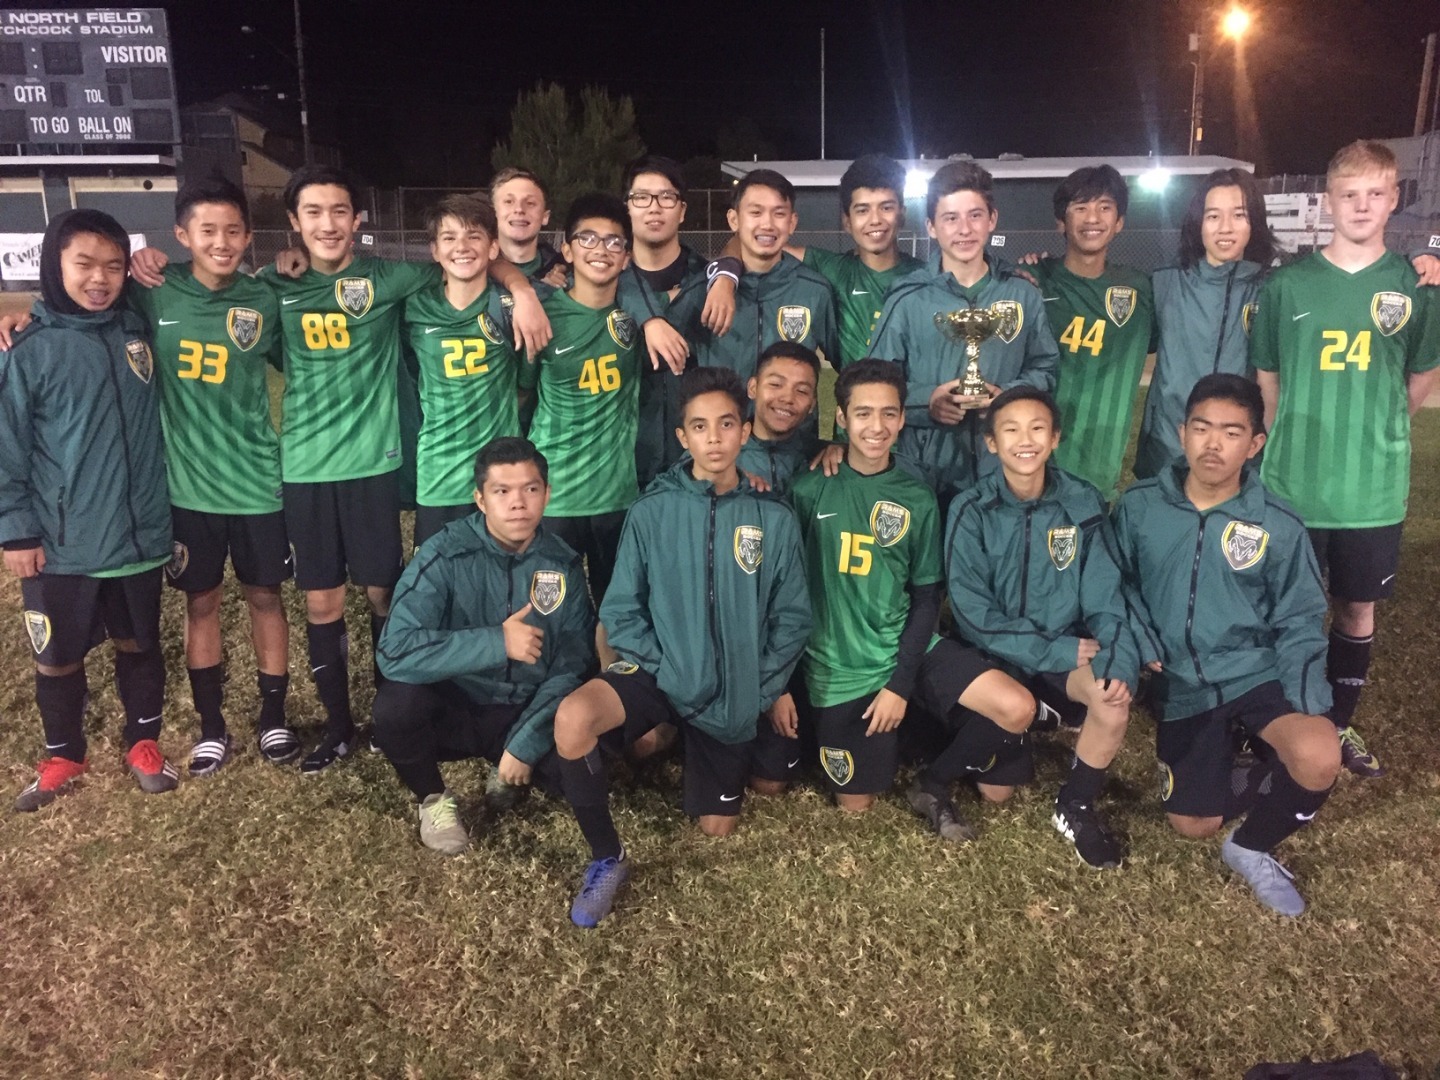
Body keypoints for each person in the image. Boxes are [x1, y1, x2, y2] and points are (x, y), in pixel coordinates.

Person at [552, 367, 811, 927]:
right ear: (682, 438)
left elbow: (792, 619)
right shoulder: (652, 511)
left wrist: (759, 686)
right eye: (699, 426)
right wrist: (667, 670)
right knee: (573, 720)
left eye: (725, 425)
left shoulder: (773, 518)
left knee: (718, 829)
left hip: (735, 686)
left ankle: (689, 738)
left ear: (745, 432)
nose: (714, 438)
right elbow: (621, 607)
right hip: (661, 670)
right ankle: (607, 857)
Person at [1114, 374, 1340, 916]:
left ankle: (1250, 846)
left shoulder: (1277, 524)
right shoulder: (1140, 505)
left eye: (1232, 432)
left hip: (1251, 670)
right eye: (1202, 428)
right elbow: (1113, 586)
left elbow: (1303, 615)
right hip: (1182, 681)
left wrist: (1309, 702)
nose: (1213, 445)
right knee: (1191, 825)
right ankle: (1247, 758)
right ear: (1181, 432)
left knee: (1317, 756)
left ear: (1255, 444)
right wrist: (1140, 641)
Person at [1251, 140, 1440, 778]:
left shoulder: (1416, 287)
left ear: (1393, 199)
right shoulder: (1288, 285)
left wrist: (1377, 429)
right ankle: (1276, 723)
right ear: (1327, 202)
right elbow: (1268, 377)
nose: (1361, 206)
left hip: (1371, 490)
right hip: (1293, 485)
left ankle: (1337, 724)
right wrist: (1288, 440)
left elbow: (1417, 381)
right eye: (1348, 194)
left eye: (1375, 194)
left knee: (1357, 609)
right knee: (1283, 609)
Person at [0, 210, 177, 808]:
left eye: (111, 266)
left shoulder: (136, 329)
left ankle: (143, 742)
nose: (99, 279)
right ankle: (63, 755)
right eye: (84, 265)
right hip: (63, 543)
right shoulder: (27, 348)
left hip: (136, 537)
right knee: (57, 660)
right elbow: (7, 450)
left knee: (139, 645)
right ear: (55, 266)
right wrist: (17, 532)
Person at [132, 177, 297, 772]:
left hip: (258, 483)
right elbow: (85, 300)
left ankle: (273, 721)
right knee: (201, 603)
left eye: (233, 230)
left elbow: (295, 355)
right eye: (207, 231)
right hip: (190, 489)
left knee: (265, 597)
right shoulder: (154, 292)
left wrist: (289, 263)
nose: (221, 241)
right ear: (182, 236)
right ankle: (212, 726)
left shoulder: (263, 300)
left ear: (248, 236)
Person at [946, 387, 1139, 867]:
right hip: (998, 660)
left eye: (1037, 428)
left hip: (1064, 650)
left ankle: (1075, 805)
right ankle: (1032, 719)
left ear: (1055, 438)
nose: (1024, 440)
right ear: (992, 443)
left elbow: (1105, 593)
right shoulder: (971, 508)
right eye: (1010, 429)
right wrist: (1051, 651)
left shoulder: (1082, 501)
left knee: (1112, 701)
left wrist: (1117, 655)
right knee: (996, 791)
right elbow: (972, 614)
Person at [373, 437, 594, 854]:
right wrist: (496, 643)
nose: (518, 503)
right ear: (480, 499)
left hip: (524, 708)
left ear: (547, 493)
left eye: (530, 489)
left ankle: (508, 766)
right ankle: (433, 799)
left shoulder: (562, 564)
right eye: (502, 491)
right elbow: (395, 650)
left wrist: (525, 742)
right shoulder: (445, 554)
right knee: (394, 710)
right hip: (457, 704)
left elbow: (575, 663)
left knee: (587, 766)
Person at [871, 161, 1058, 499]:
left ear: (992, 220)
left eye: (975, 215)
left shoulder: (1022, 293)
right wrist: (926, 402)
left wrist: (1007, 397)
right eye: (950, 218)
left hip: (1003, 467)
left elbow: (1046, 368)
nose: (964, 229)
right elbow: (876, 381)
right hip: (925, 470)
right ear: (931, 226)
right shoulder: (908, 298)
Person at [521, 193, 642, 614]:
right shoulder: (541, 314)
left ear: (627, 256)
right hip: (557, 495)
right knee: (552, 614)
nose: (601, 250)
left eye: (614, 242)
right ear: (568, 250)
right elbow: (524, 392)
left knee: (615, 611)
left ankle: (609, 681)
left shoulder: (639, 318)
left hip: (617, 495)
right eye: (588, 239)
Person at [711, 154, 924, 368]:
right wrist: (725, 277)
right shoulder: (831, 269)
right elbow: (746, 242)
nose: (875, 219)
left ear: (902, 214)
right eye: (863, 210)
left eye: (886, 207)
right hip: (858, 399)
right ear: (847, 221)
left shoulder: (925, 278)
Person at [1132, 169, 1276, 480]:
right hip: (1167, 450)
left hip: (1240, 457)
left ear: (1255, 221)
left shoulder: (1273, 289)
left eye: (1238, 215)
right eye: (1213, 216)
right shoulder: (1164, 282)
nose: (1225, 228)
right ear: (1198, 223)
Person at [1027, 165, 1155, 501]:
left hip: (1099, 471)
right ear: (1061, 222)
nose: (1092, 218)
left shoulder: (1141, 290)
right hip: (1033, 461)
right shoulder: (1033, 279)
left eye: (1104, 207)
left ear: (1120, 223)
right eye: (1080, 208)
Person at [403, 193, 525, 548]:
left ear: (492, 248)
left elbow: (526, 386)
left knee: (502, 581)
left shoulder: (512, 309)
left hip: (500, 472)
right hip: (438, 473)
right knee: (439, 582)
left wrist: (524, 292)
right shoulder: (413, 307)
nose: (462, 246)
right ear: (434, 250)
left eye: (474, 235)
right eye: (449, 237)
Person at [665, 169, 838, 385]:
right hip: (727, 418)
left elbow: (844, 360)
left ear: (792, 223)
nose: (767, 224)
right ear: (734, 219)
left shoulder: (815, 290)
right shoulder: (704, 289)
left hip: (790, 418)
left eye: (779, 213)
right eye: (756, 213)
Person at [736, 342, 824, 495]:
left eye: (802, 391)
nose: (788, 398)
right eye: (776, 384)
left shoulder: (822, 457)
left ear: (812, 405)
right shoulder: (720, 453)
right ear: (753, 388)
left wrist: (842, 452)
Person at [490, 167, 566, 284]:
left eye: (530, 203)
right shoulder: (474, 271)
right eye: (509, 201)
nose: (519, 209)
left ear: (545, 217)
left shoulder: (564, 273)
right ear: (494, 212)